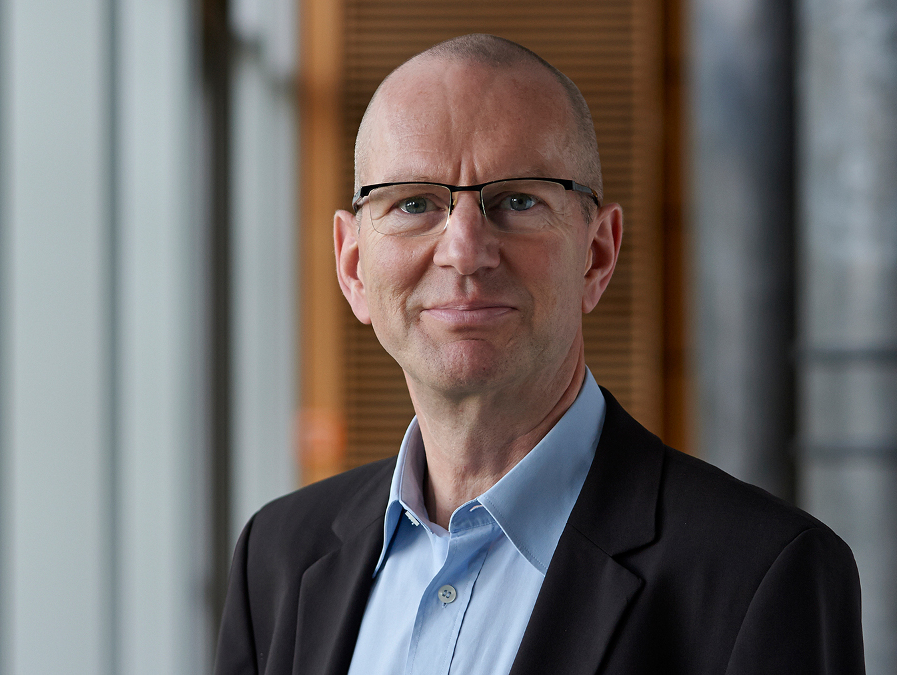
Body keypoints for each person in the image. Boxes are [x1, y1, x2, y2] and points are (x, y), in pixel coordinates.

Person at [214, 34, 864, 675]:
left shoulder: (761, 574)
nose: (465, 250)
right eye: (413, 203)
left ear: (597, 255)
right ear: (353, 265)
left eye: (518, 200)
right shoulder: (275, 560)